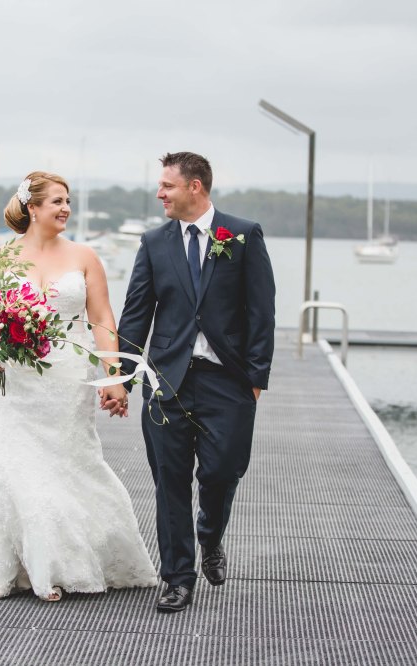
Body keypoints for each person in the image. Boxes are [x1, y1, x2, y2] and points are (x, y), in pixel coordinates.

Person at [0, 171, 158, 602]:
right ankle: (29, 566)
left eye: (68, 201)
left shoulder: (84, 256)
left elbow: (102, 319)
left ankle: (69, 560)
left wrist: (113, 375)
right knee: (11, 468)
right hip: (11, 383)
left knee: (73, 462)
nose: (66, 208)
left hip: (68, 379)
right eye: (57, 201)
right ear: (32, 208)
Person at [111, 152, 276, 613]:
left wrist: (255, 379)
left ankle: (210, 533)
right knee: (170, 481)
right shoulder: (153, 242)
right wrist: (122, 379)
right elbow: (136, 314)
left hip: (228, 381)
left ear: (195, 187)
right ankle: (178, 578)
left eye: (167, 186)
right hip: (167, 381)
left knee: (223, 472)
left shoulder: (242, 235)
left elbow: (262, 311)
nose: (159, 194)